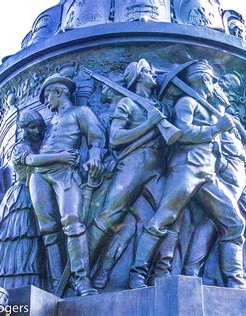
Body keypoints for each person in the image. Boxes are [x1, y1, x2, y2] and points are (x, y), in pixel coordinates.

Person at [128, 61, 246, 290]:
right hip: (187, 168)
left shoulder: (210, 109)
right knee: (163, 219)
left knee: (234, 222)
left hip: (208, 173)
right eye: (212, 79)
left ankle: (235, 280)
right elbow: (181, 133)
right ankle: (137, 274)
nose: (215, 85)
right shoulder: (187, 102)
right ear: (204, 79)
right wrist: (215, 129)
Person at [182, 74, 246, 292]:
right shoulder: (210, 116)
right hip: (225, 177)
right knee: (220, 224)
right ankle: (194, 274)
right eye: (222, 85)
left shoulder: (231, 119)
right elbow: (201, 143)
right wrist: (224, 167)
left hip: (242, 182)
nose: (225, 90)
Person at [86, 59, 173, 288]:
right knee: (109, 217)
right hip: (133, 163)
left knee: (158, 221)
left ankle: (138, 276)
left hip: (157, 166)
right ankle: (82, 273)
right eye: (147, 71)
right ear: (136, 78)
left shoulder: (160, 106)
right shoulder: (127, 103)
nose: (152, 73)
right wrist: (149, 124)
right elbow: (116, 138)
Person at [29, 73, 105, 296]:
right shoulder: (50, 121)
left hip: (65, 173)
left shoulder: (81, 112)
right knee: (49, 230)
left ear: (59, 92)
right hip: (39, 175)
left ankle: (82, 281)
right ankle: (55, 284)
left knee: (72, 222)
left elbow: (96, 138)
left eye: (47, 95)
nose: (46, 101)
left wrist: (95, 157)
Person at [0, 109, 78, 290]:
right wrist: (61, 157)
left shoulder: (44, 143)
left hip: (41, 194)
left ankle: (54, 283)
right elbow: (31, 160)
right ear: (23, 129)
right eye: (32, 127)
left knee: (43, 239)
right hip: (23, 199)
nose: (37, 131)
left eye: (39, 127)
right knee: (25, 240)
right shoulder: (19, 148)